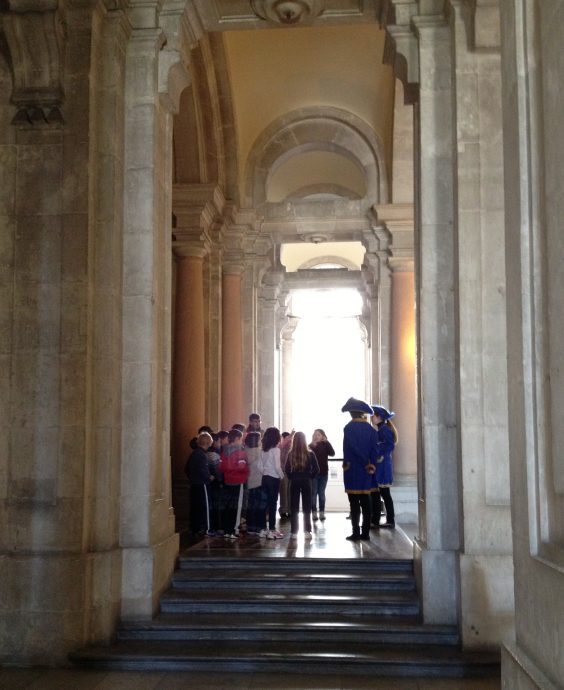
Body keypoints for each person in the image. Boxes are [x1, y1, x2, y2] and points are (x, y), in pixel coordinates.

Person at [341, 397, 380, 542]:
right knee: (366, 503)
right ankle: (366, 533)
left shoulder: (348, 428)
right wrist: (371, 464)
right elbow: (375, 450)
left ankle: (356, 533)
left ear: (351, 413)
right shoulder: (371, 430)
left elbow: (352, 448)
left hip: (353, 469)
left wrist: (364, 462)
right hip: (366, 470)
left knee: (354, 504)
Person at [285, 431, 319, 539]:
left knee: (294, 507)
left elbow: (286, 469)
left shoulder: (291, 454)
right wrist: (310, 477)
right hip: (306, 481)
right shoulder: (310, 453)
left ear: (294, 440)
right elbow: (317, 469)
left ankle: (294, 532)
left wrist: (291, 477)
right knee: (307, 507)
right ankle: (307, 531)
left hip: (295, 480)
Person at [219, 428, 249, 539]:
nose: (242, 441)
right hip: (238, 481)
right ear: (237, 439)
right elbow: (242, 467)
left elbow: (221, 467)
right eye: (241, 439)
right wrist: (246, 471)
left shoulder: (224, 451)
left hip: (227, 481)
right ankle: (234, 530)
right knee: (237, 507)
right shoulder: (240, 452)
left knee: (228, 506)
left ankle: (227, 530)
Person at [372, 405, 398, 529]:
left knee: (384, 494)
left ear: (379, 417)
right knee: (383, 494)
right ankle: (383, 520)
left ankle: (388, 520)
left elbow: (390, 445)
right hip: (381, 464)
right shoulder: (382, 429)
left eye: (373, 416)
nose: (372, 418)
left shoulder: (384, 430)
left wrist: (382, 455)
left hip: (382, 465)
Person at [184, 431, 214, 536]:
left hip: (194, 484)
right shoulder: (202, 455)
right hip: (202, 484)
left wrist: (192, 478)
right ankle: (207, 529)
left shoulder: (194, 453)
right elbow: (203, 470)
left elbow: (186, 469)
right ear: (208, 442)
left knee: (195, 507)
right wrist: (209, 477)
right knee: (205, 506)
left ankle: (194, 528)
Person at [258, 427, 285, 539]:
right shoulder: (276, 450)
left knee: (264, 505)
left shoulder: (263, 450)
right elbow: (277, 466)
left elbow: (259, 466)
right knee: (273, 505)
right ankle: (272, 530)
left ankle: (263, 529)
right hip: (273, 480)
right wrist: (282, 476)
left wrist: (265, 472)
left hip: (264, 478)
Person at [309, 428, 335, 521]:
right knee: (313, 493)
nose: (316, 436)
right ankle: (314, 513)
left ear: (323, 436)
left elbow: (332, 453)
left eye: (318, 434)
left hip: (324, 473)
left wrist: (327, 442)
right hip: (313, 474)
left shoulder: (325, 444)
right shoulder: (310, 446)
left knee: (321, 493)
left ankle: (322, 513)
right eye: (315, 434)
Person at [245, 431, 267, 536]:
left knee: (251, 505)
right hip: (260, 481)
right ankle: (260, 527)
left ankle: (250, 527)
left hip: (249, 482)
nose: (261, 440)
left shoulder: (244, 451)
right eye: (259, 439)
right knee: (261, 506)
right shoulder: (260, 452)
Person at [278, 431, 293, 520]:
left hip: (292, 473)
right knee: (284, 492)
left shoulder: (292, 448)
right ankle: (283, 510)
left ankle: (290, 510)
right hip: (283, 472)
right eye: (287, 439)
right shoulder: (280, 448)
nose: (290, 441)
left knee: (291, 492)